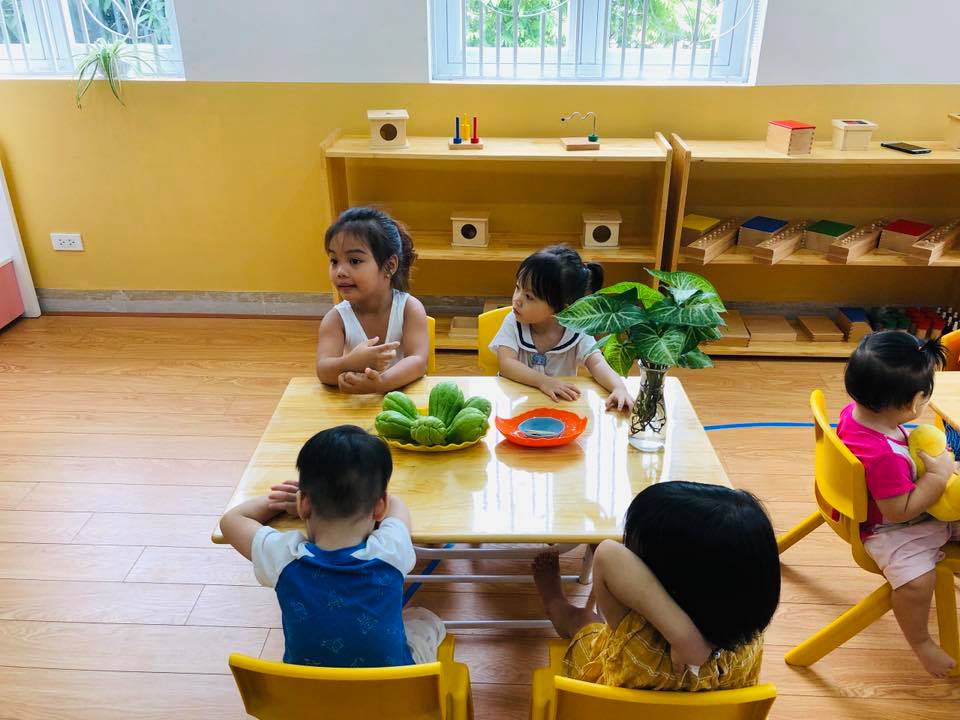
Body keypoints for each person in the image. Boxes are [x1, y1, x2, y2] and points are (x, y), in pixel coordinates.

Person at [219, 425, 444, 667]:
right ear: (380, 506)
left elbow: (231, 520)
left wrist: (292, 501)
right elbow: (397, 507)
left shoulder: (284, 557)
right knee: (423, 619)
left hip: (305, 687)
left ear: (304, 504)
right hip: (392, 687)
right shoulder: (391, 551)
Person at [532, 482, 781, 690]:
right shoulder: (748, 642)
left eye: (637, 555)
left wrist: (684, 636)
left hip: (606, 691)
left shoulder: (638, 641)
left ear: (669, 588)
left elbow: (607, 553)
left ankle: (555, 603)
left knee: (584, 619)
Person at [838, 330, 960, 677]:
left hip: (904, 504)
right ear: (914, 403)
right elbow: (899, 510)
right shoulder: (883, 457)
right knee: (916, 584)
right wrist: (938, 476)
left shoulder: (854, 413)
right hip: (891, 527)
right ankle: (921, 642)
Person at [490, 245, 632, 411]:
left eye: (529, 296)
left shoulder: (576, 329)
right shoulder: (513, 321)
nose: (517, 299)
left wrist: (618, 388)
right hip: (517, 404)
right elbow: (507, 364)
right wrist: (544, 382)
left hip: (559, 407)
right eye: (517, 287)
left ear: (561, 309)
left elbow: (597, 364)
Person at [316, 207, 429, 394]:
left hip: (403, 404)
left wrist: (381, 383)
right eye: (334, 261)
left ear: (390, 265)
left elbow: (418, 362)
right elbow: (323, 370)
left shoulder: (410, 308)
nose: (340, 271)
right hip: (357, 404)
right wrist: (350, 363)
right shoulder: (335, 319)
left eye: (354, 261)